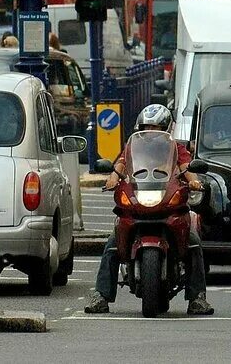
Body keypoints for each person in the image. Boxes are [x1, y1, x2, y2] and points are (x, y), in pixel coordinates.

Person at [85, 104, 214, 315]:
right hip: (138, 205)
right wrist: (111, 179)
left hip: (168, 206)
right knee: (112, 245)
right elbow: (119, 167)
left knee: (193, 243)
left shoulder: (177, 149)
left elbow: (186, 169)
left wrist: (194, 181)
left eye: (157, 127)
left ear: (166, 128)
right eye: (148, 126)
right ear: (140, 127)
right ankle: (101, 296)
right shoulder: (131, 149)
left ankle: (197, 297)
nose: (152, 131)